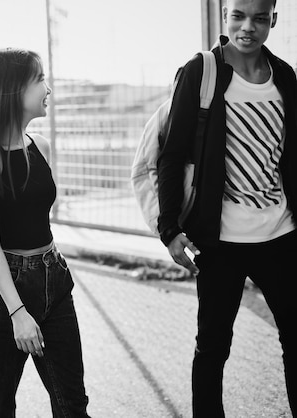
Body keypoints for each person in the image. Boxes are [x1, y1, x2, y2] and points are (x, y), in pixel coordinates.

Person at [157, 0, 297, 416]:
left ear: (273, 18)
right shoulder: (202, 71)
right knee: (213, 347)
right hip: (221, 243)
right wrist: (170, 229)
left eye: (258, 18)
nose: (247, 27)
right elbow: (171, 154)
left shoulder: (286, 77)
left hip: (282, 236)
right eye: (238, 16)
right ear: (224, 17)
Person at [0, 48, 90, 417]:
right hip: (5, 289)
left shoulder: (40, 145)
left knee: (72, 403)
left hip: (53, 276)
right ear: (14, 90)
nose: (48, 87)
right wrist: (18, 313)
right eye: (40, 78)